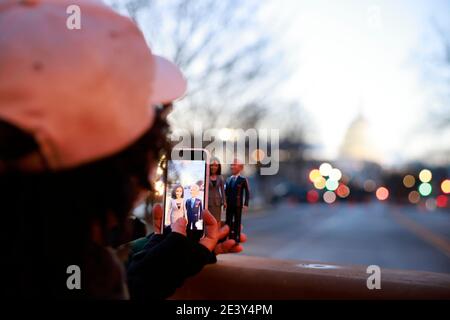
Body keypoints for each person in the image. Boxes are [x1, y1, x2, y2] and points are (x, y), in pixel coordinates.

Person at [0, 0, 245, 299]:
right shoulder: (84, 276)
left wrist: (157, 257)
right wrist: (155, 268)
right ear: (114, 165)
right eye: (149, 116)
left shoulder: (38, 254)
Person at [225, 159, 250, 243]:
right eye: (232, 165)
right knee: (228, 221)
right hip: (229, 204)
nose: (233, 167)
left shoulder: (243, 179)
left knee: (237, 221)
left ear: (240, 168)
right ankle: (227, 237)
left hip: (238, 204)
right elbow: (225, 192)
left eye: (235, 165)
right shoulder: (228, 179)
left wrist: (246, 204)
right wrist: (224, 202)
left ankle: (237, 238)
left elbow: (247, 192)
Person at [208, 157, 226, 224]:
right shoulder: (206, 177)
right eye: (212, 165)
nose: (214, 167)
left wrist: (224, 201)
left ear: (218, 167)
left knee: (217, 218)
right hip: (208, 201)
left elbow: (223, 190)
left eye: (216, 166)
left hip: (218, 201)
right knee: (209, 218)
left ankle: (216, 231)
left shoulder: (220, 177)